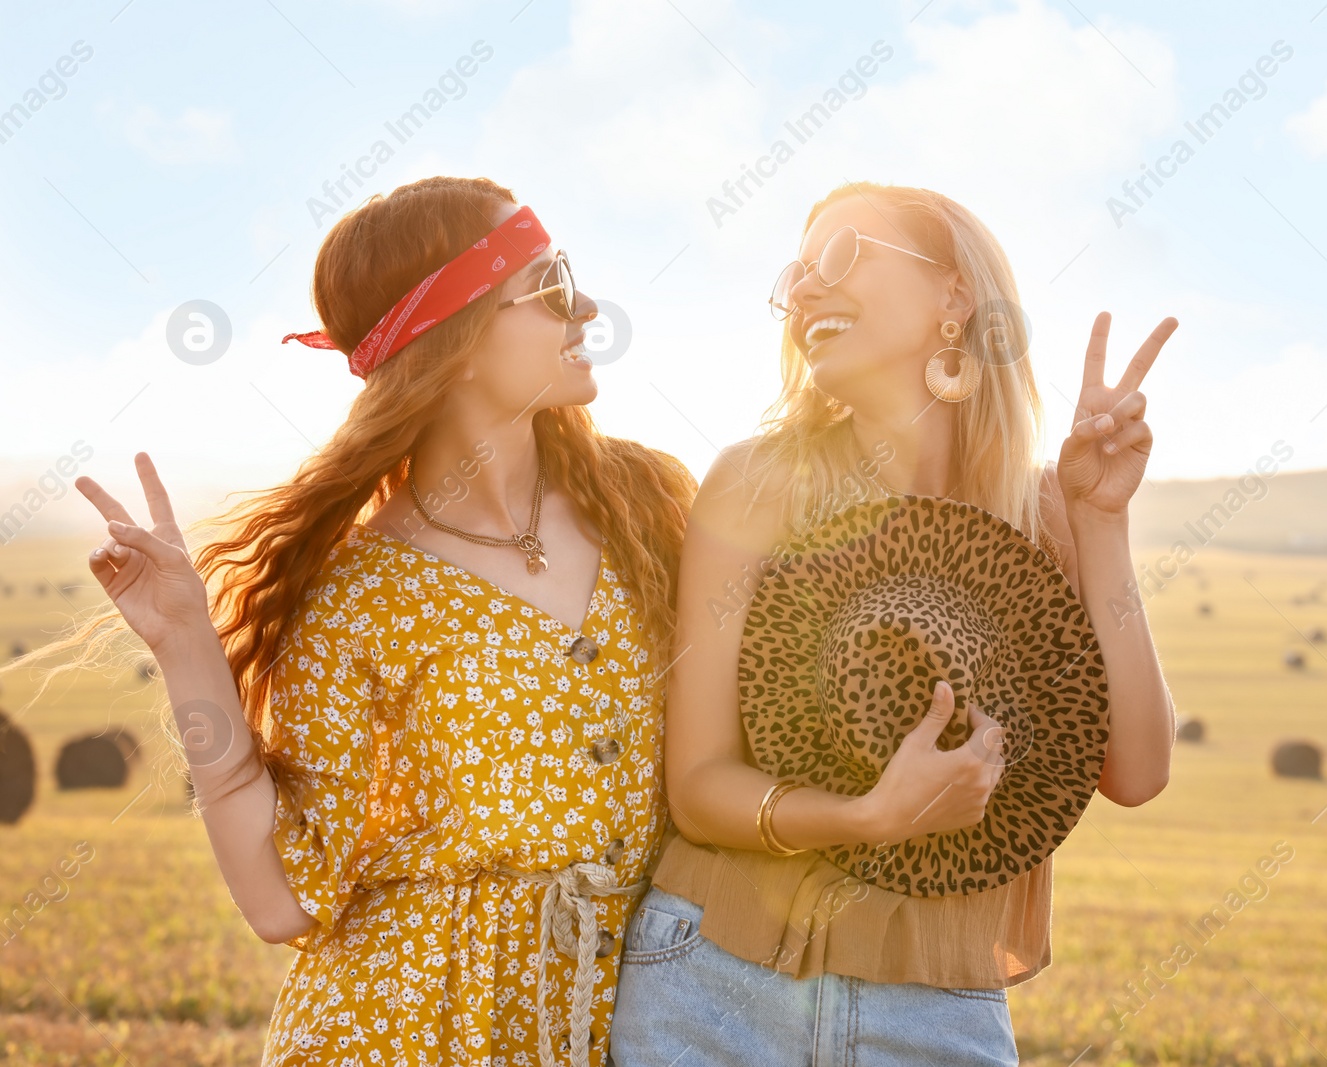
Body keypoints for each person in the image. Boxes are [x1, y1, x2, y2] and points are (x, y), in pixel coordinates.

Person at [37, 176, 696, 1067]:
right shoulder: (356, 596)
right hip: (407, 1031)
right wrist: (185, 641)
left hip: (632, 1021)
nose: (584, 305)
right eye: (547, 284)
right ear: (454, 340)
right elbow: (282, 901)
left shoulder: (646, 501)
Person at [610, 182, 1178, 1066]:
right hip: (713, 983)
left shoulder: (1042, 515)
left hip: (936, 1013)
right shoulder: (757, 484)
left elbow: (1136, 771)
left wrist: (1100, 521)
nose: (802, 292)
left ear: (954, 295)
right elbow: (699, 784)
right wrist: (868, 816)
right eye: (794, 276)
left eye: (839, 257)